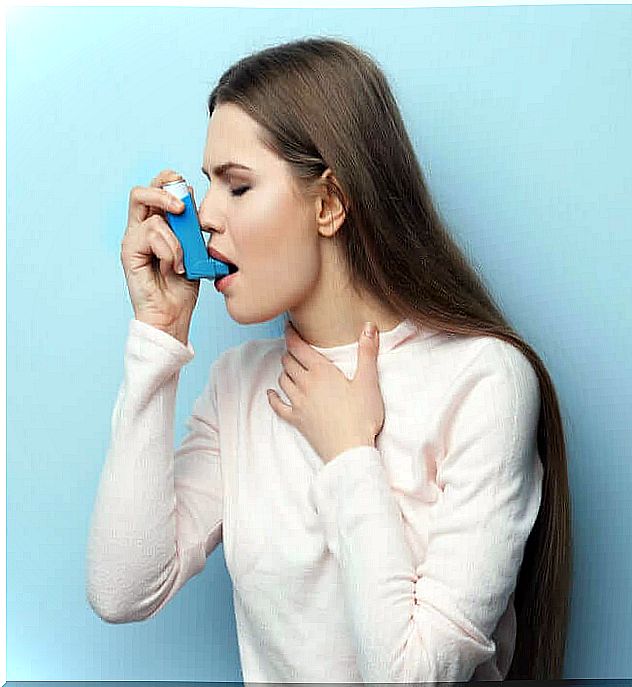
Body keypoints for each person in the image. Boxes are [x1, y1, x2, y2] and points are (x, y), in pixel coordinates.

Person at [86, 36, 571, 683]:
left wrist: (349, 455)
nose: (203, 216)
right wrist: (158, 331)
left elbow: (413, 676)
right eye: (207, 185)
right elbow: (123, 589)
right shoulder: (239, 386)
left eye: (236, 185)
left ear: (329, 203)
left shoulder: (485, 382)